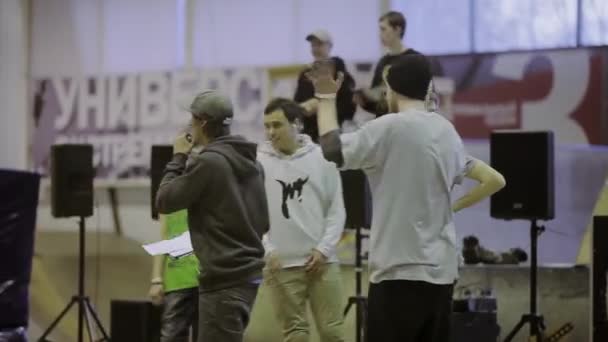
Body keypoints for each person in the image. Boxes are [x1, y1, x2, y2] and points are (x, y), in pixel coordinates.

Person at [307, 54, 506, 342]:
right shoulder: (447, 131)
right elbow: (494, 179)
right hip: (441, 273)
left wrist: (325, 98)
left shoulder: (388, 128)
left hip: (397, 272)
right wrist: (453, 208)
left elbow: (332, 150)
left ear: (393, 88)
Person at [155, 90, 269, 342]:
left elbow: (164, 201)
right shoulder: (254, 163)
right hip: (248, 276)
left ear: (202, 123)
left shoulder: (208, 163)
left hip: (222, 280)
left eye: (192, 119)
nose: (189, 125)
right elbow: (265, 222)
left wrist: (178, 157)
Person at [258, 98, 346, 342]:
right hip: (279, 266)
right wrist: (267, 248)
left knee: (333, 333)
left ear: (297, 124)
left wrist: (324, 249)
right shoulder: (257, 163)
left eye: (277, 125)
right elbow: (251, 213)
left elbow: (337, 209)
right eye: (267, 126)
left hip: (323, 263)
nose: (271, 132)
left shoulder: (323, 158)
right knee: (295, 335)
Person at [355, 11, 429, 117]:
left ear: (397, 30)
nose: (380, 34)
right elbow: (378, 105)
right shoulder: (382, 62)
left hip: (409, 123)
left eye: (383, 29)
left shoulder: (418, 60)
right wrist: (365, 101)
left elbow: (428, 98)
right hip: (386, 124)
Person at [294, 30, 356, 142]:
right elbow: (297, 104)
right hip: (310, 136)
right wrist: (303, 109)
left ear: (330, 46)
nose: (316, 49)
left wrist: (321, 107)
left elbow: (349, 107)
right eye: (313, 45)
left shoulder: (341, 74)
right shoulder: (305, 75)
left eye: (320, 44)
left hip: (334, 133)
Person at [149, 210, 199, 342]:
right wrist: (156, 280)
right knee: (171, 337)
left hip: (208, 279)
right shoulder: (168, 196)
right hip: (176, 281)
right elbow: (163, 237)